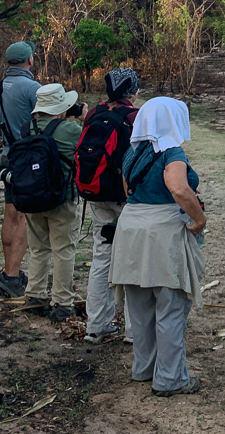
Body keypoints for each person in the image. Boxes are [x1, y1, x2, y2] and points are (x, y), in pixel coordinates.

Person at [110, 97, 206, 398]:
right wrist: (199, 219)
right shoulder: (171, 152)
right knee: (170, 305)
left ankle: (144, 368)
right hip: (162, 231)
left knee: (140, 307)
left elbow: (127, 189)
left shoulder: (131, 151)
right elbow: (177, 187)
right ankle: (170, 378)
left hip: (130, 229)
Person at [82, 68, 140, 345]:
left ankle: (96, 325)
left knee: (101, 256)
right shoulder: (134, 117)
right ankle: (134, 330)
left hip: (96, 195)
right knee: (133, 259)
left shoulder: (94, 113)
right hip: (125, 197)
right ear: (133, 92)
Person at [22, 83, 88, 321]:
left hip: (32, 197)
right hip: (62, 198)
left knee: (38, 249)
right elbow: (86, 149)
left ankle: (35, 295)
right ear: (61, 107)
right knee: (63, 250)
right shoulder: (70, 129)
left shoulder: (27, 128)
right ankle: (62, 302)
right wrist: (83, 120)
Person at [0, 41, 41, 298]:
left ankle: (9, 271)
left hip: (7, 156)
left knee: (11, 214)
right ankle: (12, 275)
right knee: (27, 216)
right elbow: (42, 125)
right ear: (29, 60)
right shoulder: (33, 88)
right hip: (28, 159)